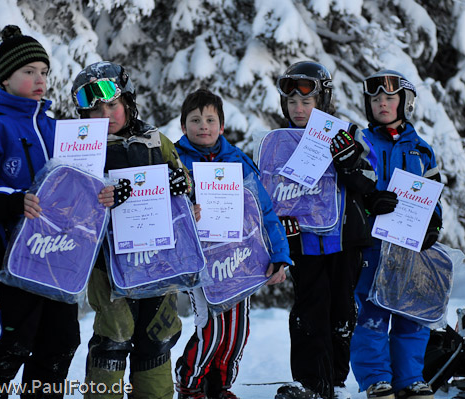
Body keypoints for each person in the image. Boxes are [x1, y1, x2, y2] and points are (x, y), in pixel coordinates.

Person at [0, 26, 100, 398]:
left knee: (62, 341)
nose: (39, 79)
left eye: (44, 72)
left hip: (61, 259)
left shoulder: (59, 130)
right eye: (29, 71)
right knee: (14, 341)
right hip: (14, 261)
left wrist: (103, 194)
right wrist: (15, 200)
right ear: (5, 77)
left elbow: (85, 184)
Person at [70, 61, 192, 399]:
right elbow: (68, 203)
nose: (106, 115)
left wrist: (181, 185)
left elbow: (184, 186)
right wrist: (101, 199)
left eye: (112, 105)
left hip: (157, 259)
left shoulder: (154, 140)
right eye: (95, 110)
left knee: (157, 336)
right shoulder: (81, 151)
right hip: (106, 264)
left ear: (128, 103)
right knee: (116, 336)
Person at [262, 62, 377, 399]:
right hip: (304, 239)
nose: (298, 109)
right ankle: (310, 383)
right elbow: (268, 189)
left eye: (306, 102)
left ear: (322, 99)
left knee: (341, 310)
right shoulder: (279, 141)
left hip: (343, 240)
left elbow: (369, 183)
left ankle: (337, 383)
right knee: (309, 308)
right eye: (292, 103)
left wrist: (348, 162)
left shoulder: (348, 132)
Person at [173, 89, 292, 399]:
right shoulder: (175, 161)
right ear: (184, 126)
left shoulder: (237, 160)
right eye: (195, 120)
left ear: (222, 126)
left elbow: (264, 210)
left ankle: (220, 385)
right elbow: (167, 210)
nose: (203, 126)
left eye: (211, 120)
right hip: (202, 264)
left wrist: (279, 254)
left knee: (237, 332)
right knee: (212, 330)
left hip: (239, 259)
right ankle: (191, 384)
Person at [350, 70, 442, 399]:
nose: (382, 104)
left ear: (405, 103)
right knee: (372, 314)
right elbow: (351, 189)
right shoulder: (361, 142)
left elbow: (434, 196)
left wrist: (434, 223)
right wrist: (370, 202)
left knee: (411, 312)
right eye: (375, 99)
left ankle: (410, 379)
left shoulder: (422, 149)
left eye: (389, 98)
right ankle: (376, 378)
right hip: (373, 246)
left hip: (410, 248)